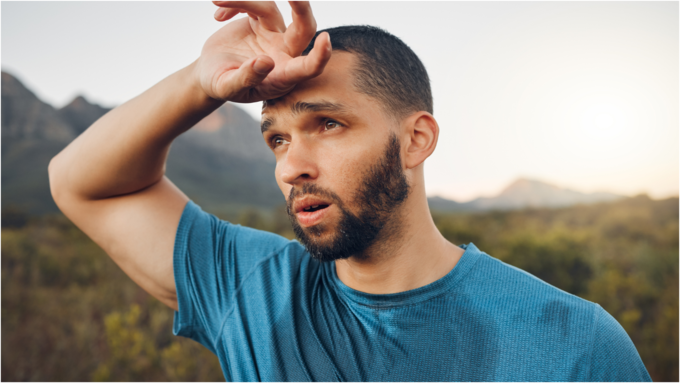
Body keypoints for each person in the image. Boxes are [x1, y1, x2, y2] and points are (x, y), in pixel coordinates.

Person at [48, 1, 651, 381]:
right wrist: (199, 83)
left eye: (327, 125)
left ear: (415, 141)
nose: (291, 167)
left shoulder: (573, 345)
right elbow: (81, 183)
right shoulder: (252, 288)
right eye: (277, 140)